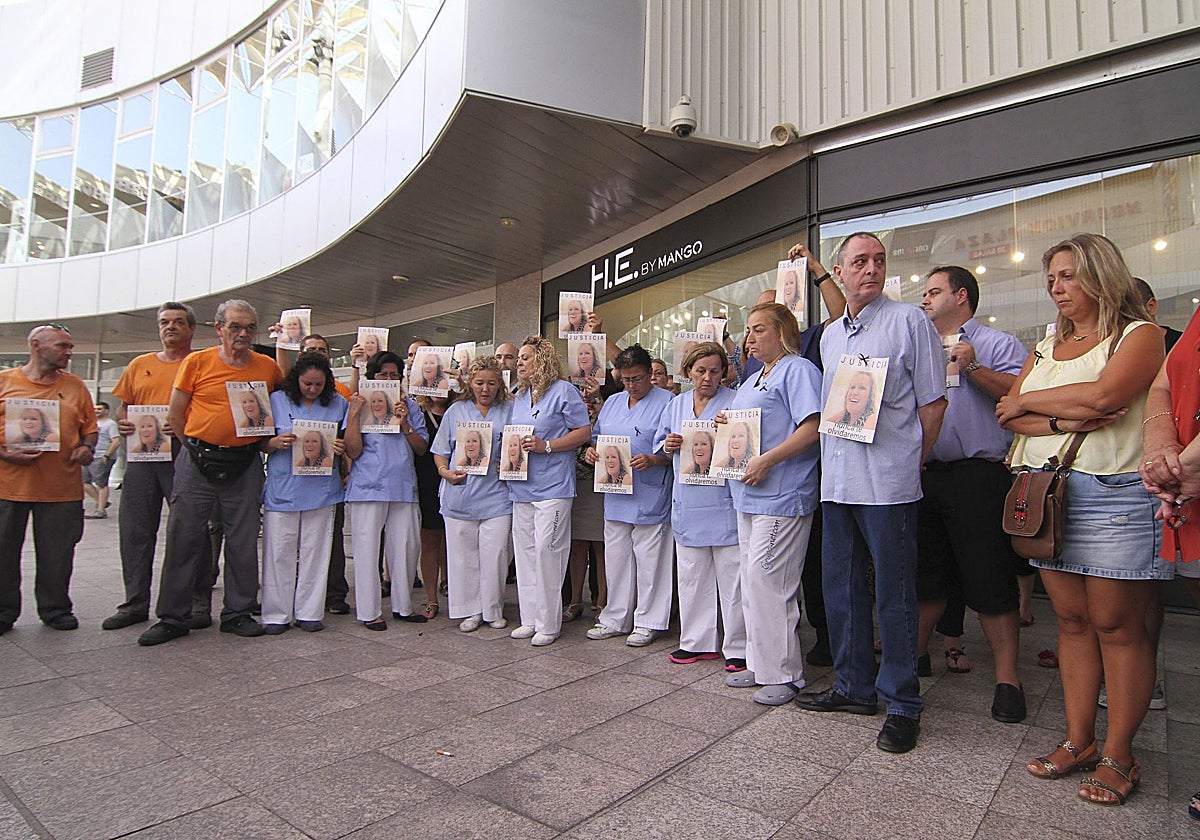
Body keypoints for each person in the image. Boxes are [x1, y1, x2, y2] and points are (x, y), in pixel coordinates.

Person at [997, 233, 1164, 806]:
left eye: (1067, 275)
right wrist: (1061, 416)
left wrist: (1038, 404)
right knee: (1069, 621)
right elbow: (1008, 413)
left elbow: (1106, 397)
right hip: (1049, 493)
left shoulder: (1139, 335)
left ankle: (1121, 755)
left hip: (1117, 491)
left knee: (1118, 626)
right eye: (1050, 279)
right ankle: (1080, 740)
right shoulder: (1045, 345)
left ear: (1100, 272)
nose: (1056, 288)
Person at [794, 232, 947, 756]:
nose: (871, 269)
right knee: (841, 590)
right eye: (860, 262)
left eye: (878, 261)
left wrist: (912, 460)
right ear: (840, 271)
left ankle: (902, 703)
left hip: (889, 485)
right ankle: (853, 686)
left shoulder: (910, 322)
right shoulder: (833, 335)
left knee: (895, 594)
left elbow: (933, 404)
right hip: (837, 484)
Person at [915, 265, 1030, 723]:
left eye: (933, 291)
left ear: (961, 296)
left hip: (978, 474)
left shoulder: (997, 343)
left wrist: (974, 364)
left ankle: (1007, 679)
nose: (924, 299)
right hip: (925, 474)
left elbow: (1023, 395)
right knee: (926, 573)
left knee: (989, 576)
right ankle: (916, 656)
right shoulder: (919, 346)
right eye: (923, 292)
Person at [138, 300, 283, 646]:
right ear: (219, 329)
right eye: (235, 327)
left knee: (243, 540)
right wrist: (196, 447)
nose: (244, 334)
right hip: (197, 462)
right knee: (183, 537)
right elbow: (176, 414)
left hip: (245, 462)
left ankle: (238, 612)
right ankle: (174, 616)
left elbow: (278, 403)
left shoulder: (266, 367)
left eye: (250, 327)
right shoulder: (197, 362)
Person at [712, 304, 823, 706]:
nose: (750, 338)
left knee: (769, 580)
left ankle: (786, 673)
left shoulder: (798, 370)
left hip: (782, 493)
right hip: (749, 494)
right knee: (751, 579)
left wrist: (767, 460)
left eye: (759, 330)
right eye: (748, 331)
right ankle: (759, 662)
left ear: (782, 332)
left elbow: (812, 427)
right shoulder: (753, 377)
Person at [1140, 303, 1200, 820]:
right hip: (1186, 489)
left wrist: (1185, 462)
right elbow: (1163, 386)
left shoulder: (1142, 335)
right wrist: (1165, 450)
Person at [102, 303, 197, 631]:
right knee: (135, 531)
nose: (170, 327)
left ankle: (194, 602)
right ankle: (134, 602)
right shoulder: (139, 364)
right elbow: (123, 409)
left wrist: (183, 424)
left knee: (187, 531)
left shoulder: (199, 363)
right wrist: (124, 422)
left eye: (178, 322)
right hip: (141, 459)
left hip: (182, 457)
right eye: (164, 322)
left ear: (191, 329)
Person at [0, 325, 98, 635]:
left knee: (58, 554)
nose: (69, 352)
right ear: (36, 346)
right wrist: (5, 455)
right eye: (62, 346)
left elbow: (90, 430)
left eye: (70, 346)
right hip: (8, 487)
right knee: (3, 553)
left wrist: (86, 448)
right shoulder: (4, 382)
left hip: (61, 488)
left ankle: (56, 609)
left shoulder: (76, 386)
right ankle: (3, 612)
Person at [658, 341, 746, 669]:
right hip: (688, 501)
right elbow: (662, 444)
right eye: (700, 371)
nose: (707, 377)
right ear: (688, 372)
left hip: (722, 502)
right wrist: (668, 444)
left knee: (732, 580)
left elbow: (747, 447)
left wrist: (732, 431)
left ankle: (738, 646)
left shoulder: (735, 403)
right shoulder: (676, 405)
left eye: (714, 371)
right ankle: (696, 641)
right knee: (692, 577)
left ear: (724, 373)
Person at [584, 346, 674, 647]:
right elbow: (597, 439)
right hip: (616, 492)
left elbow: (675, 448)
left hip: (650, 491)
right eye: (625, 380)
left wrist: (654, 458)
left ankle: (649, 621)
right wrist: (592, 452)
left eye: (637, 378)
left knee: (651, 561)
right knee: (617, 558)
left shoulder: (668, 401)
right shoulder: (612, 403)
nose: (632, 385)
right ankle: (615, 617)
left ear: (650, 374)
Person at [508, 336, 592, 646]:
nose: (519, 363)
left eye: (526, 358)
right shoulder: (519, 395)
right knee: (526, 553)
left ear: (542, 360)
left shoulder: (563, 392)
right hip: (521, 487)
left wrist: (548, 446)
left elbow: (584, 432)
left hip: (553, 485)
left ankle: (549, 622)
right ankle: (529, 618)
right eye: (519, 358)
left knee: (547, 551)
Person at [260, 354, 347, 634]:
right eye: (307, 383)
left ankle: (309, 611)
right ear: (296, 380)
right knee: (279, 551)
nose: (312, 389)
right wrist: (272, 443)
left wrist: (340, 449)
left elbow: (349, 440)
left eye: (319, 384)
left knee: (316, 552)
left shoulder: (337, 403)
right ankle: (276, 613)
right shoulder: (276, 400)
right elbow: (257, 439)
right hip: (284, 487)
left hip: (321, 490)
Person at [343, 350, 429, 630]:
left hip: (402, 485)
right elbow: (353, 451)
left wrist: (404, 424)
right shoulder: (359, 404)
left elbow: (421, 448)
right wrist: (355, 414)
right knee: (367, 549)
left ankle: (403, 606)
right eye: (383, 374)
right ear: (372, 376)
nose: (389, 379)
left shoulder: (410, 407)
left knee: (406, 547)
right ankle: (369, 611)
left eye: (394, 374)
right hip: (368, 487)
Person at [432, 356, 512, 632]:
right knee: (463, 557)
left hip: (498, 495)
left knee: (496, 554)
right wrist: (444, 471)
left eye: (491, 383)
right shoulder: (456, 411)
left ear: (500, 383)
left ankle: (492, 609)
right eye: (479, 383)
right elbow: (440, 451)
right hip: (460, 494)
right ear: (470, 383)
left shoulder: (510, 410)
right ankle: (469, 610)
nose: (486, 389)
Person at [83, 401, 120, 519]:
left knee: (101, 483)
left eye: (99, 409)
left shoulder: (111, 424)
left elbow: (116, 441)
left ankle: (100, 510)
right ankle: (101, 502)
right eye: (95, 409)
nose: (96, 411)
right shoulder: (91, 423)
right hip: (90, 456)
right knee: (83, 482)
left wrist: (106, 456)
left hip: (102, 456)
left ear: (107, 411)